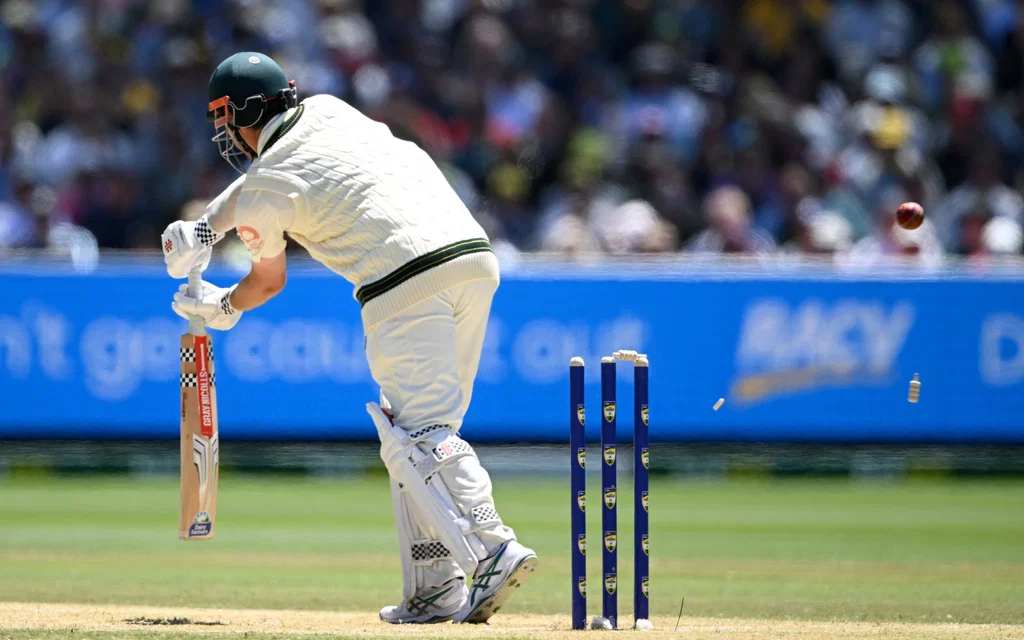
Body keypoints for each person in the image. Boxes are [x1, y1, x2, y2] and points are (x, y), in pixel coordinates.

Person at [159, 52, 536, 625]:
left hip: (402, 281)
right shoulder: (328, 111)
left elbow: (268, 279)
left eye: (225, 117)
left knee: (418, 438)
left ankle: (493, 547)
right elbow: (263, 185)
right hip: (473, 260)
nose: (225, 134)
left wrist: (223, 307)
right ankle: (434, 590)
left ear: (247, 111)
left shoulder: (265, 186)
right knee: (415, 431)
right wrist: (207, 228)